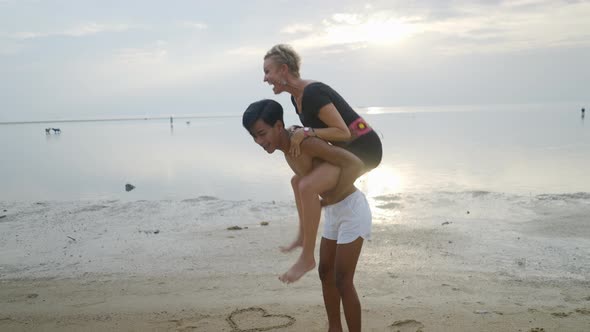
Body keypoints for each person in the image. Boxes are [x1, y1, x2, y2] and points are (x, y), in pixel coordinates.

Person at [243, 99, 371, 332]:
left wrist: (332, 197)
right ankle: (334, 328)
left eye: (262, 134)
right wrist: (305, 230)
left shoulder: (305, 142)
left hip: (352, 209)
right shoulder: (288, 147)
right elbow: (302, 183)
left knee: (343, 279)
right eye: (254, 137)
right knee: (325, 273)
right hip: (334, 212)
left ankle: (306, 257)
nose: (259, 142)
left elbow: (354, 164)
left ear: (279, 126)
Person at [262, 44, 383, 279]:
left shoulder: (313, 93)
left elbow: (342, 132)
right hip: (344, 151)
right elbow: (320, 130)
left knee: (308, 186)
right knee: (297, 181)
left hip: (364, 150)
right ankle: (302, 237)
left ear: (284, 70)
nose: (265, 78)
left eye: (268, 71)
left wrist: (306, 131)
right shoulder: (297, 100)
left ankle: (307, 258)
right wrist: (301, 129)